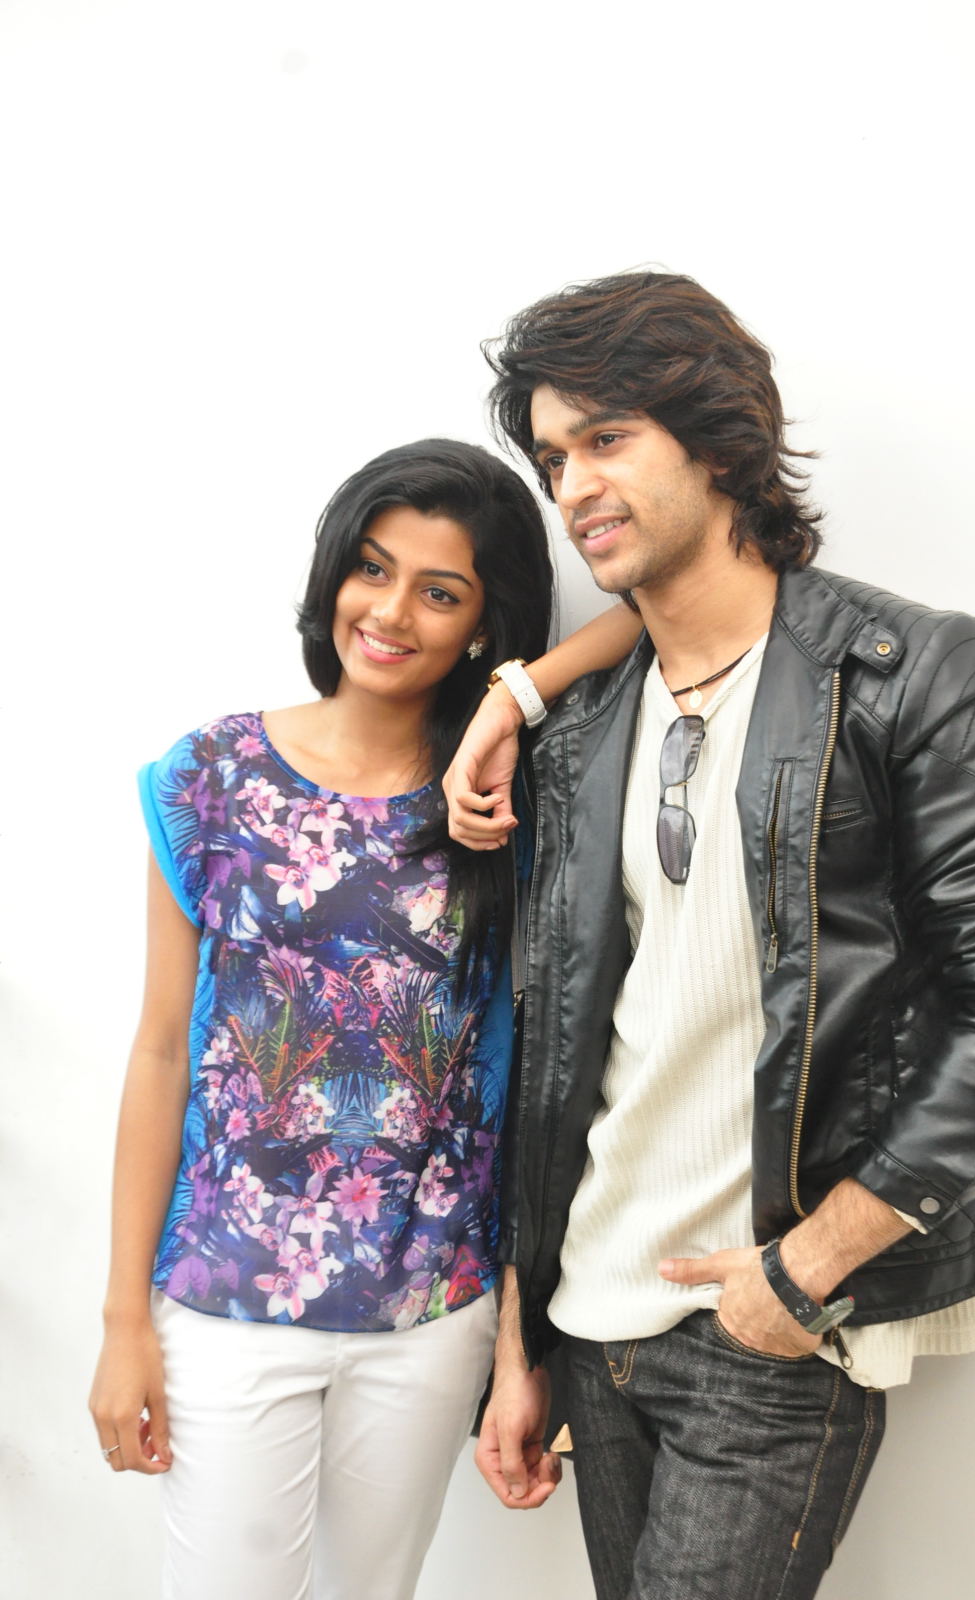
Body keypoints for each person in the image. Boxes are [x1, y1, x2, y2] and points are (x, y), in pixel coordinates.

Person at [444, 273, 975, 1600]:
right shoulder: (585, 727)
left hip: (766, 1319)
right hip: (590, 1320)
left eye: (607, 438)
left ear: (719, 442)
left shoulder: (918, 675)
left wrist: (811, 1267)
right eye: (553, 458)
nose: (572, 486)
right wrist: (522, 1338)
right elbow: (553, 1049)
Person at [88, 438, 641, 1600]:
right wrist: (122, 1319)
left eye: (440, 592)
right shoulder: (210, 777)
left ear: (485, 625)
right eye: (372, 569)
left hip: (432, 1307)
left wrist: (515, 699)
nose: (389, 612)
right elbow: (159, 1052)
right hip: (228, 1298)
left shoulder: (504, 797)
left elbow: (658, 609)